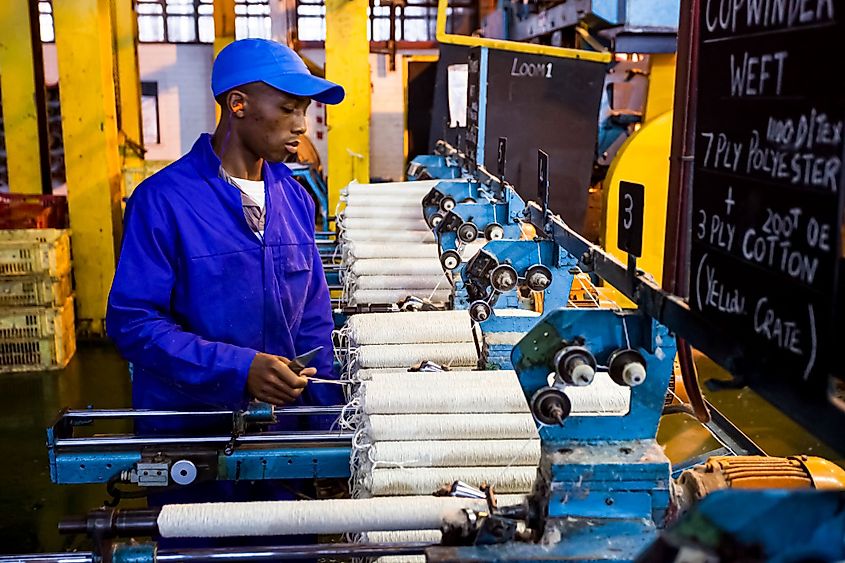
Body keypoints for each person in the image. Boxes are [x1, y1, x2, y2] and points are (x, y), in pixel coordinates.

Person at [106, 39, 345, 506]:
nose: (302, 125)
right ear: (238, 104)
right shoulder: (164, 201)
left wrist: (329, 435)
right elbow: (134, 324)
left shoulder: (296, 201)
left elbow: (315, 324)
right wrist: (240, 369)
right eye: (289, 109)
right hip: (192, 446)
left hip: (281, 447)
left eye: (305, 111)